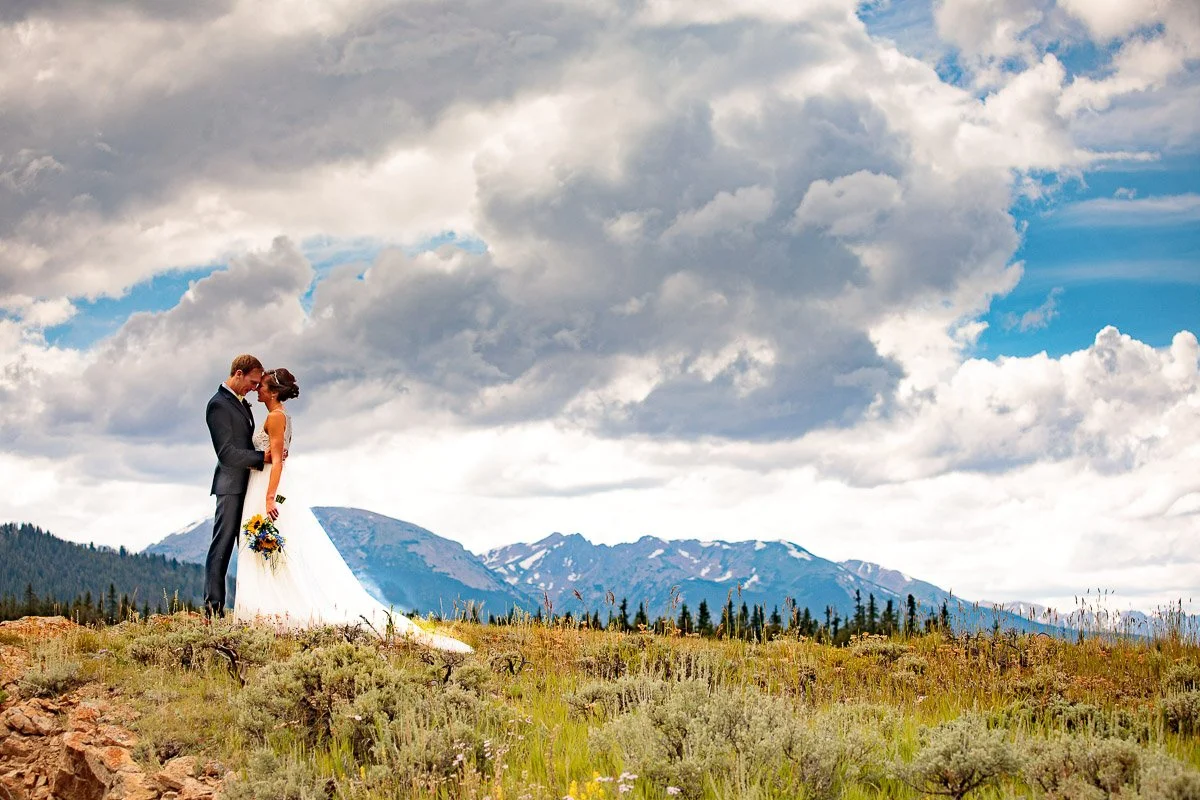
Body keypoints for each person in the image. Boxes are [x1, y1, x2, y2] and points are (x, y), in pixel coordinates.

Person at [233, 367, 472, 653]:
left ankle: (274, 609)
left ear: (272, 392)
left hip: (267, 485)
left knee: (269, 547)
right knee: (271, 549)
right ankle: (270, 607)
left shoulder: (275, 417)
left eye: (261, 386)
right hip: (263, 481)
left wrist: (270, 498)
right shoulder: (279, 415)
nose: (257, 389)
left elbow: (278, 461)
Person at [204, 354, 272, 618]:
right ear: (238, 374)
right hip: (230, 486)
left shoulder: (240, 403)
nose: (254, 388)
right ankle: (213, 608)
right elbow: (227, 453)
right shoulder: (218, 405)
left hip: (249, 485)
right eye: (253, 382)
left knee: (247, 546)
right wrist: (261, 458)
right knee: (221, 547)